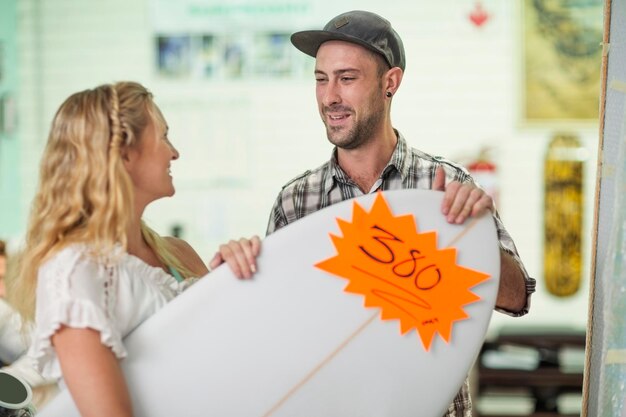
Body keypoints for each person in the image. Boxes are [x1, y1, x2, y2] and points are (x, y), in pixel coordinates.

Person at [266, 10, 536, 417]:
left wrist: (471, 239)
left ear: (389, 82)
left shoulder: (445, 185)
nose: (329, 96)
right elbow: (275, 332)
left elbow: (517, 298)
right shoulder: (294, 202)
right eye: (321, 79)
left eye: (347, 78)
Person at [7, 81, 260, 417]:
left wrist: (240, 274)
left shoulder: (178, 254)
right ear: (125, 153)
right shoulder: (73, 272)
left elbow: (237, 353)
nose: (174, 152)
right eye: (164, 136)